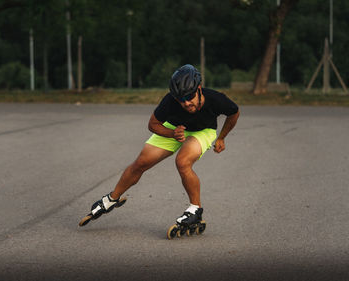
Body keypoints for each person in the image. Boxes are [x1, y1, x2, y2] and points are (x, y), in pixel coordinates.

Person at [79, 64, 240, 238]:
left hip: (203, 131)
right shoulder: (170, 101)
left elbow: (234, 113)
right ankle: (112, 199)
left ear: (199, 89)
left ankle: (195, 209)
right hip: (174, 128)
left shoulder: (216, 99)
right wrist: (172, 133)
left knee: (182, 162)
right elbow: (153, 124)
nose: (186, 102)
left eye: (189, 96)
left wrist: (222, 137)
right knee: (141, 163)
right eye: (181, 99)